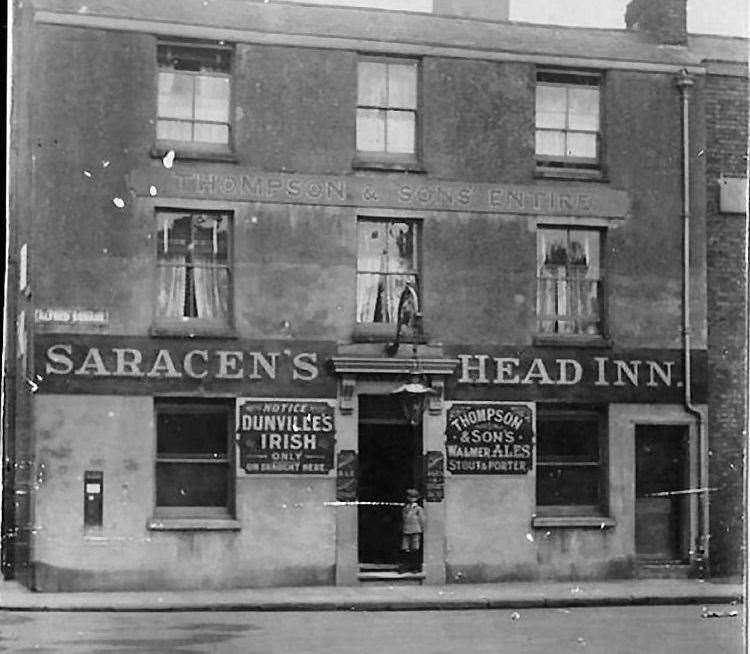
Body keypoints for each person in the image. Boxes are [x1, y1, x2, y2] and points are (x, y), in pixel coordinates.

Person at [399, 488, 425, 573]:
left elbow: (421, 519)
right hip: (406, 530)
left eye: (413, 497)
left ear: (417, 498)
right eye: (410, 497)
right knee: (405, 548)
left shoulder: (418, 509)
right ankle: (405, 566)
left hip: (415, 530)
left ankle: (415, 567)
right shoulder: (406, 508)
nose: (411, 499)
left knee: (415, 548)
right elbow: (403, 518)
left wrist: (421, 529)